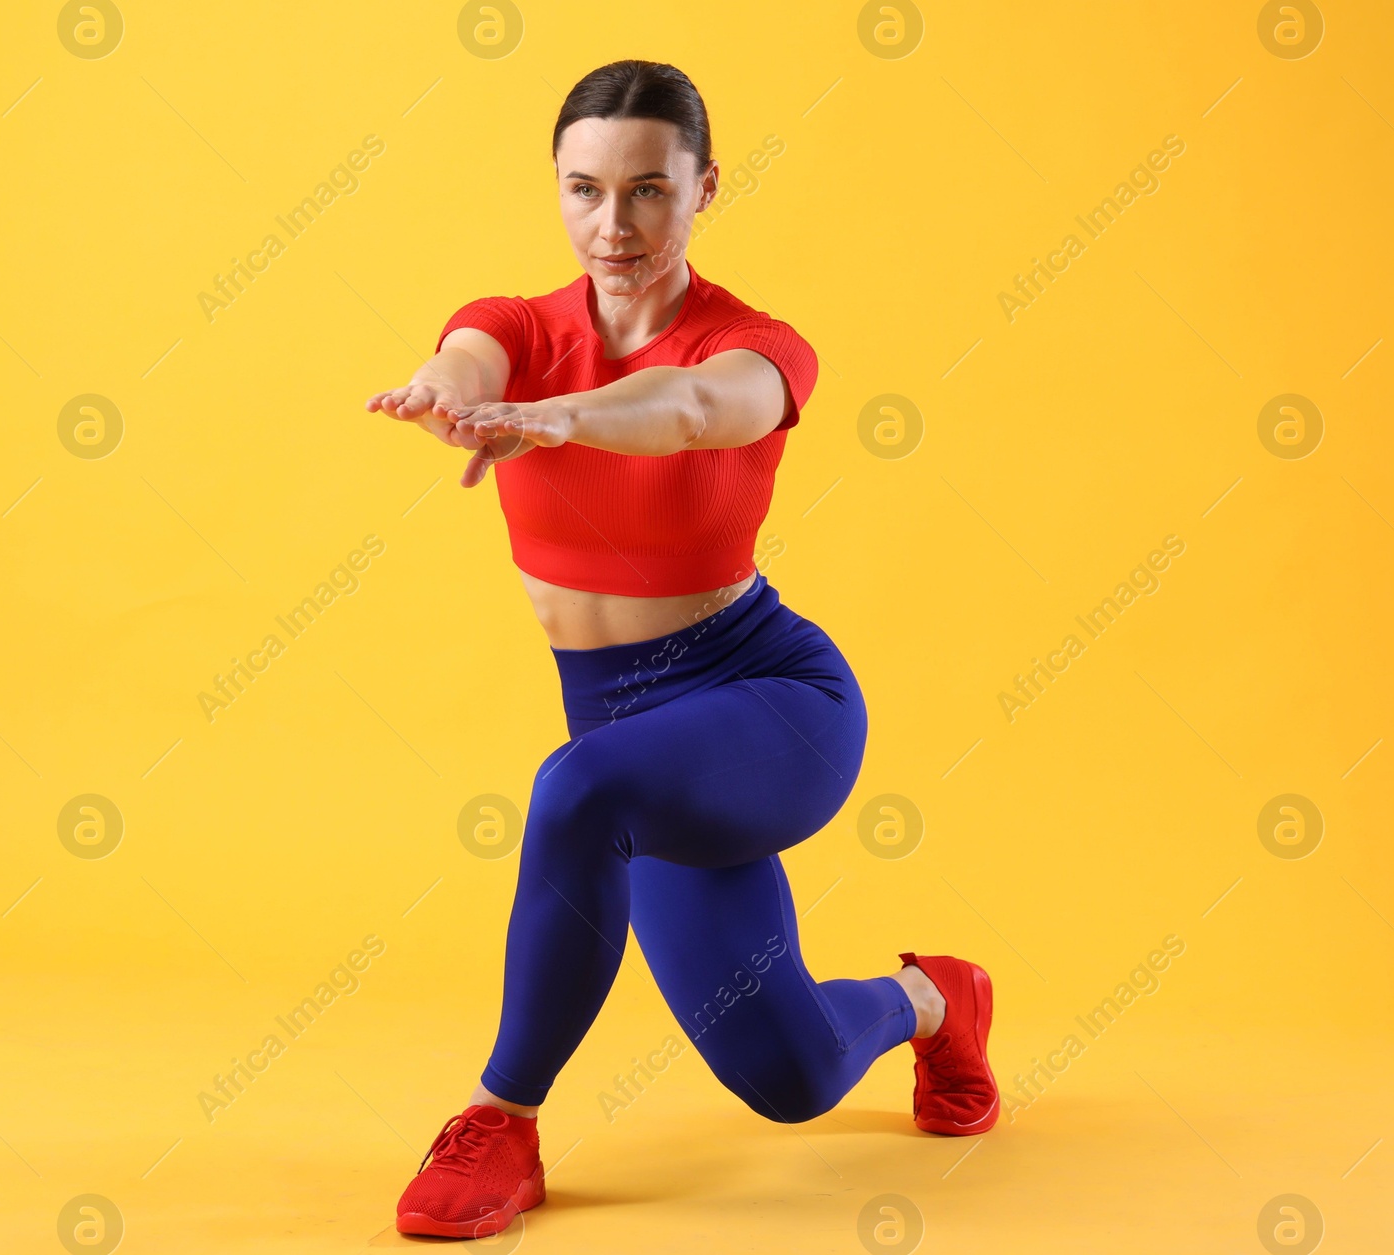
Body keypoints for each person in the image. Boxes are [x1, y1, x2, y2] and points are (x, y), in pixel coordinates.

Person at [364, 59, 999, 1240]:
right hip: (634, 745)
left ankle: (501, 1119)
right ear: (556, 192)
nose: (615, 224)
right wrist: (440, 392)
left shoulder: (756, 345)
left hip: (766, 700)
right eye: (585, 190)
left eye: (650, 190)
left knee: (575, 784)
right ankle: (934, 998)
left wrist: (557, 421)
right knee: (791, 1074)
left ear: (705, 187)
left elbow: (699, 412)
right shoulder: (515, 328)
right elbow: (466, 360)